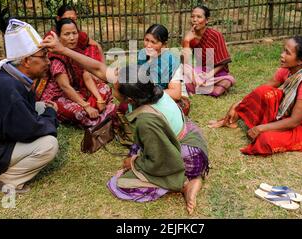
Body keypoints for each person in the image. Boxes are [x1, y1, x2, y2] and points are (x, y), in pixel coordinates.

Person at [41, 34, 209, 215]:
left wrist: (135, 162)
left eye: (114, 87)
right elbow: (98, 68)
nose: (110, 86)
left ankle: (186, 184)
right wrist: (62, 50)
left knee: (121, 184)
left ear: (129, 99)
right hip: (188, 137)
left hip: (188, 155)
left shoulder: (146, 120)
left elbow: (162, 158)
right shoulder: (145, 87)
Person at [0, 18, 59, 194]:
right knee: (49, 145)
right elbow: (29, 131)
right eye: (43, 56)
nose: (48, 61)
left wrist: (46, 112)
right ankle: (4, 180)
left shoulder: (8, 72)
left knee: (41, 106)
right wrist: (51, 115)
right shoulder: (9, 87)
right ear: (27, 61)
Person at [209, 36, 302, 156]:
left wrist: (261, 128)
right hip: (287, 117)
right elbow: (260, 92)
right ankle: (232, 120)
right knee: (264, 92)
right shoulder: (286, 71)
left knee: (265, 139)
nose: (282, 55)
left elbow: (295, 121)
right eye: (283, 50)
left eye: (287, 53)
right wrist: (237, 106)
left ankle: (262, 128)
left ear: (300, 60)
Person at [41, 18, 115, 131]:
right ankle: (99, 118)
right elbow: (65, 87)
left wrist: (99, 99)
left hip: (76, 92)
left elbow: (87, 76)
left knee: (104, 88)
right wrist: (86, 106)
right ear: (59, 37)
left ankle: (99, 114)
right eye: (67, 34)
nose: (72, 37)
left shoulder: (77, 52)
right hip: (59, 97)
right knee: (79, 112)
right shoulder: (56, 58)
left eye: (74, 33)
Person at [137, 24, 190, 115]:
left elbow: (176, 94)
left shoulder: (172, 62)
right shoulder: (142, 54)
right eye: (146, 40)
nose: (148, 45)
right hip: (151, 93)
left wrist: (148, 95)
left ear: (164, 45)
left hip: (168, 95)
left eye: (153, 42)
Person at [182, 5, 235, 97]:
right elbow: (186, 63)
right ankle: (202, 87)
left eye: (199, 17)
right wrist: (186, 42)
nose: (194, 20)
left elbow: (223, 62)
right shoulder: (189, 37)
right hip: (199, 71)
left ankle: (197, 88)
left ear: (207, 20)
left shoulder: (216, 35)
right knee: (181, 72)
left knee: (227, 81)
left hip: (216, 72)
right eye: (192, 16)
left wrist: (208, 75)